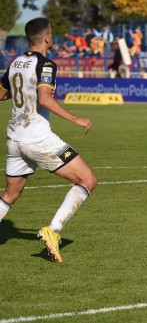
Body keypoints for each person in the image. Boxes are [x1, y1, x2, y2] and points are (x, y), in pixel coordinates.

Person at [0, 17, 97, 263]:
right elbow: (45, 98)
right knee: (87, 180)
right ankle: (53, 231)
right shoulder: (46, 65)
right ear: (46, 38)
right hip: (37, 138)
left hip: (14, 138)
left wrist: (21, 92)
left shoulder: (15, 63)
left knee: (11, 194)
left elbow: (1, 94)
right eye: (51, 33)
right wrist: (76, 119)